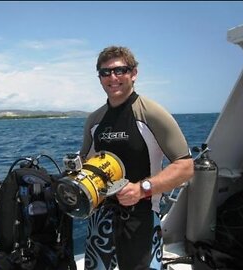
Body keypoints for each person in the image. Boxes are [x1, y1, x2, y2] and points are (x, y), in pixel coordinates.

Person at [79, 46, 194, 270]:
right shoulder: (94, 120)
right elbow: (85, 163)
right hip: (101, 218)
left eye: (120, 70)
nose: (113, 77)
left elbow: (186, 166)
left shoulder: (150, 113)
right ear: (100, 78)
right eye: (105, 72)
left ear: (134, 73)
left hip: (142, 217)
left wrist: (142, 189)